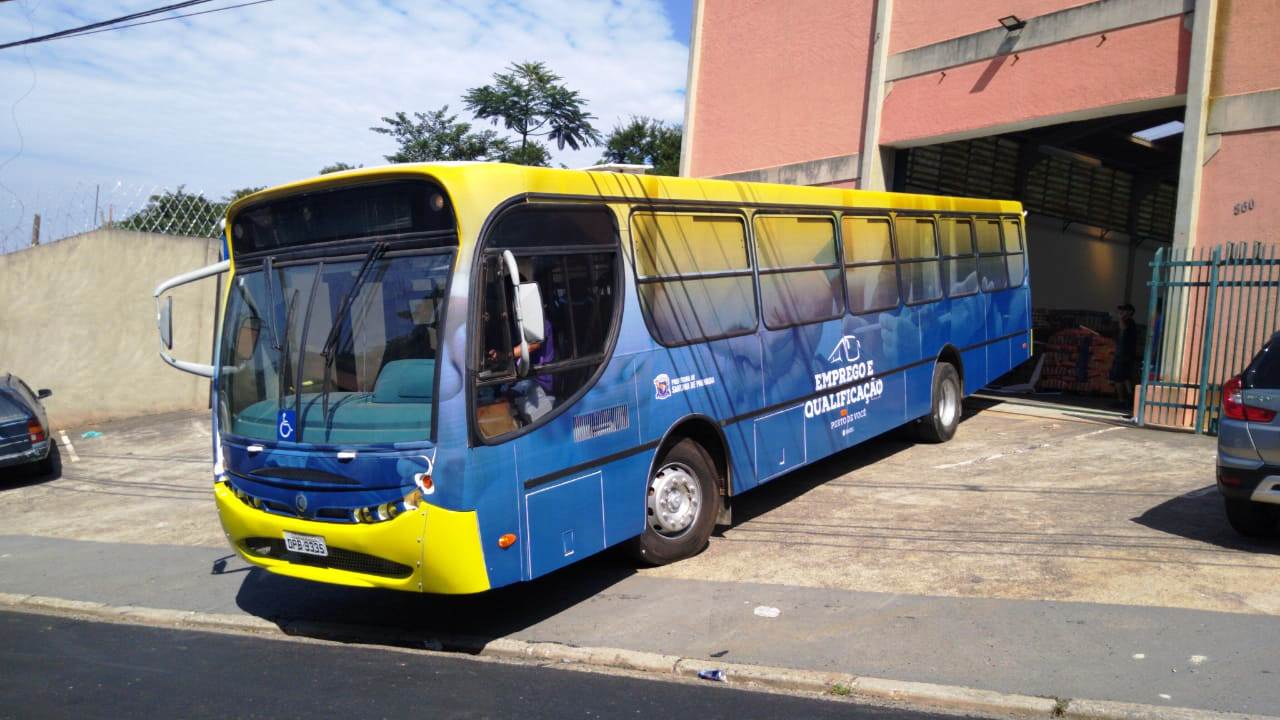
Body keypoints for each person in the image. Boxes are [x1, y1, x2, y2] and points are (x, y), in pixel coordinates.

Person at [1110, 303, 1138, 417]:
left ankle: (1122, 400)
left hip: (1124, 355)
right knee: (1125, 377)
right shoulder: (1128, 322)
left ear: (1130, 312)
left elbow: (1123, 329)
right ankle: (1128, 398)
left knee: (1118, 377)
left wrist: (1120, 318)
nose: (1121, 312)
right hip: (1123, 354)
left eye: (1124, 310)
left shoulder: (1129, 322)